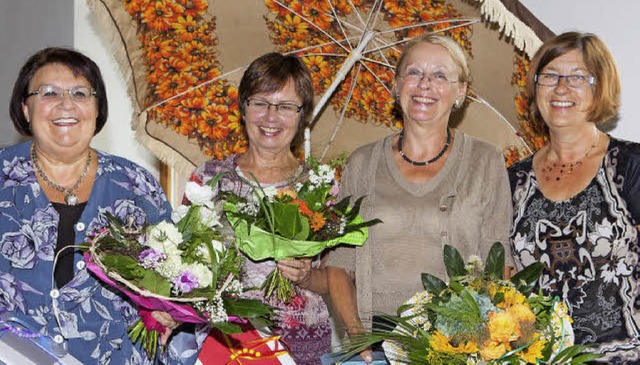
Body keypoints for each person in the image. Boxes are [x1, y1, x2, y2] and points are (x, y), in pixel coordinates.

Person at [0, 47, 197, 363]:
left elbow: (178, 282)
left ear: (97, 108)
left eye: (80, 93)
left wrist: (170, 310)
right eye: (49, 93)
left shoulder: (136, 185)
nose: (67, 104)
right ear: (25, 108)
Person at [325, 33, 513, 361]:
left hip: (454, 347)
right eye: (414, 73)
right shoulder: (362, 163)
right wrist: (357, 335)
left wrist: (470, 345)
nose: (425, 84)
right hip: (375, 346)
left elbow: (499, 264)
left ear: (461, 92)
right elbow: (340, 265)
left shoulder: (486, 160)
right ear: (397, 86)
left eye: (440, 75)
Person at [187, 52, 331, 365]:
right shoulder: (208, 179)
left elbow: (341, 276)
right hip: (221, 345)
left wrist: (307, 277)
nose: (271, 116)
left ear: (302, 114)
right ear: (243, 107)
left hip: (299, 347)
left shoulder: (320, 187)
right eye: (260, 103)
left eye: (285, 106)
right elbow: (181, 265)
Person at [509, 32, 640, 363]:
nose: (561, 88)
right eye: (550, 76)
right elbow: (505, 280)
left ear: (599, 89)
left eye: (578, 77)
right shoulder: (512, 180)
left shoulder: (631, 164)